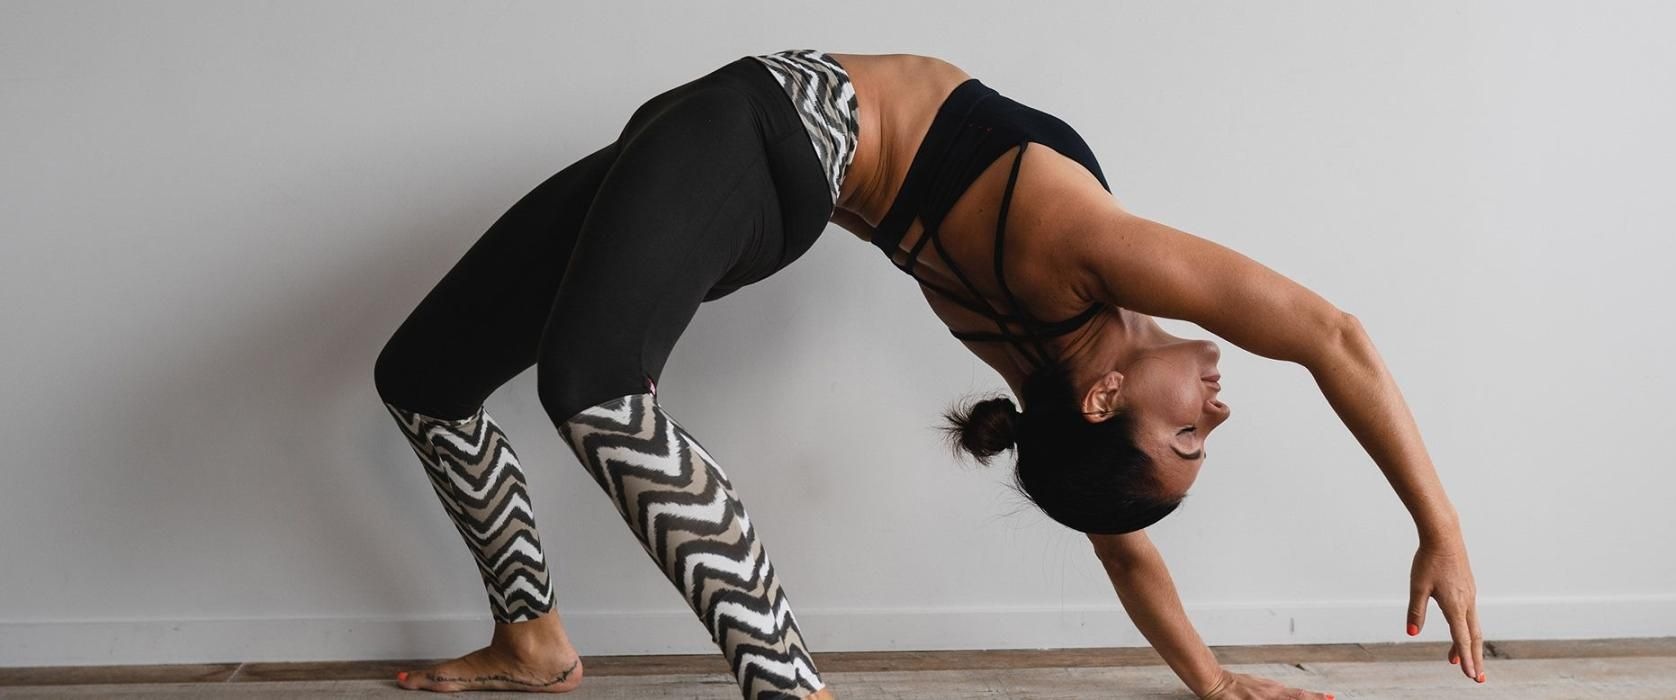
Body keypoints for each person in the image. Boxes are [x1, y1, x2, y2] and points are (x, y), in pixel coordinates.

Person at [373, 48, 1481, 700]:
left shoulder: (1073, 296)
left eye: (1190, 438)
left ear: (1104, 401)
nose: (1217, 413)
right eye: (1202, 437)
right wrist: (1438, 526)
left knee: (594, 382)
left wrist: (1210, 673)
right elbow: (1329, 339)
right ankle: (533, 634)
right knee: (423, 376)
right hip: (717, 133)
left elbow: (1124, 512)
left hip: (762, 137)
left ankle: (787, 687)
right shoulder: (1069, 330)